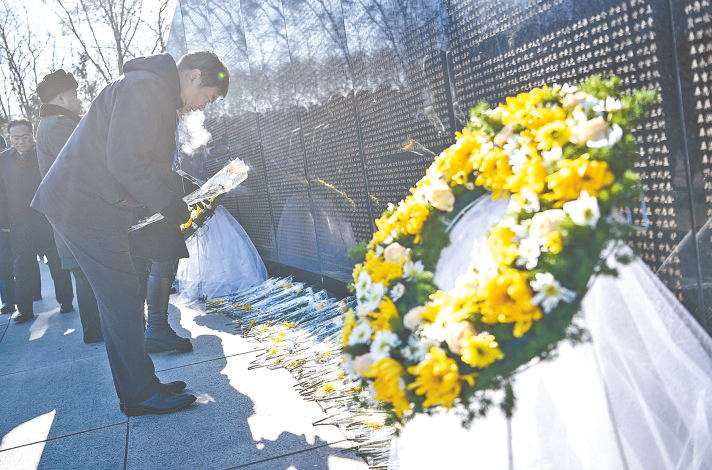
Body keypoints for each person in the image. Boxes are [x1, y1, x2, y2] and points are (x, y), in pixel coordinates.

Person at [31, 51, 229, 416]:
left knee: (122, 295)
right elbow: (125, 163)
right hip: (82, 204)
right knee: (121, 296)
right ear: (195, 76)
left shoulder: (149, 87)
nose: (203, 106)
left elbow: (143, 161)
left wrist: (188, 190)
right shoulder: (146, 88)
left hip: (87, 202)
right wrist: (169, 205)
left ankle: (141, 386)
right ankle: (139, 392)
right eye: (209, 97)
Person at [35, 69, 103, 343]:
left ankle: (97, 331)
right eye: (74, 93)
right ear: (61, 98)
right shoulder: (57, 125)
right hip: (76, 220)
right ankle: (96, 331)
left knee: (87, 277)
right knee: (88, 278)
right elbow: (84, 164)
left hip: (73, 219)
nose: (78, 98)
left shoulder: (55, 122)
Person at [0, 119, 74, 324]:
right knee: (22, 269)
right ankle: (24, 310)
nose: (20, 141)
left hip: (46, 219)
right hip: (19, 224)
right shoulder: (3, 160)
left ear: (32, 135)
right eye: (15, 138)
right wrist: (3, 222)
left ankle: (65, 301)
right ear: (10, 138)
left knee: (58, 264)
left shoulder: (43, 153)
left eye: (25, 137)